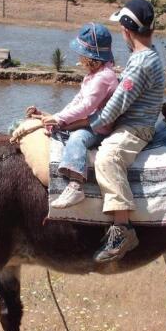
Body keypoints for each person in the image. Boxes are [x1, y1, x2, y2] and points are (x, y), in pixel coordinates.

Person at [89, 0, 166, 263]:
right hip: (136, 122)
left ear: (126, 31)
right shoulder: (148, 55)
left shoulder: (141, 62)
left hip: (135, 129)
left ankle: (123, 229)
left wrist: (92, 123)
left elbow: (118, 103)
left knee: (107, 157)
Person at [29, 23, 119, 208]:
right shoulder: (94, 75)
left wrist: (60, 119)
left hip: (98, 126)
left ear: (91, 58)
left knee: (77, 139)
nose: (79, 57)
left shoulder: (104, 78)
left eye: (82, 55)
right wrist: (56, 116)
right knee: (59, 128)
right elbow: (77, 101)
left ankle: (76, 185)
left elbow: (87, 106)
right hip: (87, 120)